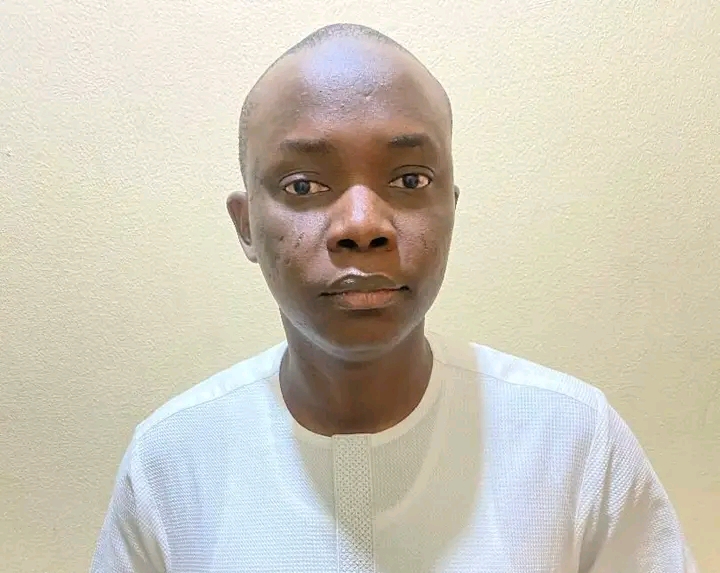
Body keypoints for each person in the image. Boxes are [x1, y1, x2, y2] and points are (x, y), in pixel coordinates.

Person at [90, 23, 697, 573]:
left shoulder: (575, 442)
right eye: (303, 185)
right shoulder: (170, 461)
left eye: (410, 179)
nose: (362, 225)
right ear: (246, 225)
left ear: (450, 208)